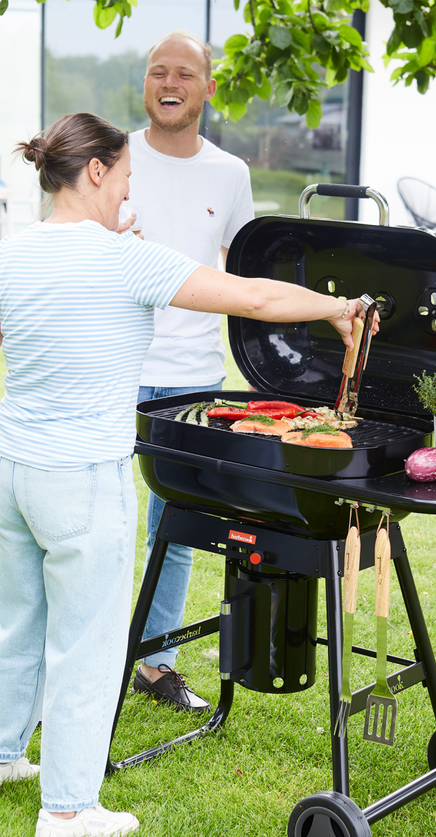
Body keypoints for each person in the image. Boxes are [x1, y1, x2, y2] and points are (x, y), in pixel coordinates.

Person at [0, 112, 370, 837]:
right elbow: (255, 298)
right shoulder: (124, 260)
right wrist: (339, 307)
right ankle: (68, 812)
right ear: (97, 171)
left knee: (17, 623)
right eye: (127, 179)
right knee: (90, 639)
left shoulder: (14, 252)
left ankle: (6, 755)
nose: (128, 195)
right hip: (83, 476)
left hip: (14, 466)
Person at [124, 31, 255, 712]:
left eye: (183, 74)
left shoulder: (230, 174)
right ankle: (83, 658)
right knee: (93, 525)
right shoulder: (110, 159)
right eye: (157, 73)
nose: (168, 84)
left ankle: (154, 665)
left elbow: (242, 278)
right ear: (145, 84)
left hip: (191, 381)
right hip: (113, 368)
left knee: (171, 529)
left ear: (207, 88)